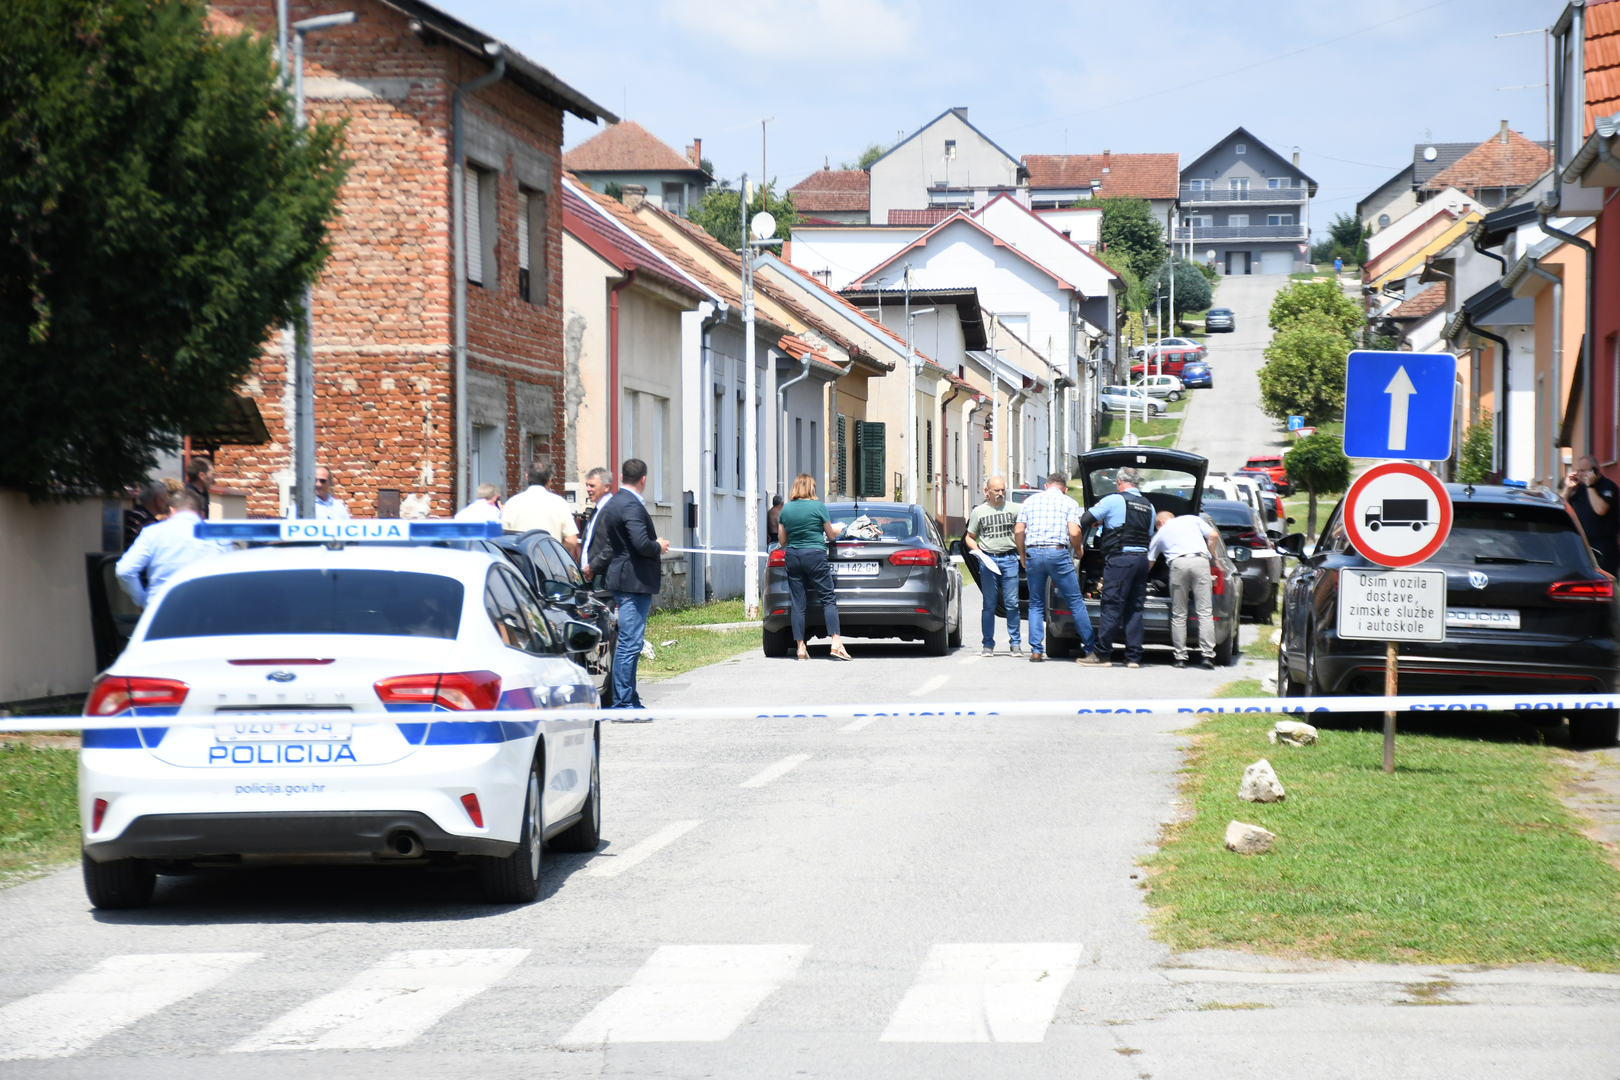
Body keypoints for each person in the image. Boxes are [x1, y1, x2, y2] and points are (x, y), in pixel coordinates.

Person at [589, 459, 669, 708]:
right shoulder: (631, 506)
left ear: (622, 476)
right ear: (643, 479)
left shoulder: (613, 502)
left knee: (629, 642)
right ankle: (623, 702)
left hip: (625, 577)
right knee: (629, 643)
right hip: (632, 581)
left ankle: (629, 698)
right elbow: (641, 544)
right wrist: (660, 546)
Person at [1012, 472, 1096, 663]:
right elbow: (1074, 532)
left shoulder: (1030, 502)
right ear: (1064, 489)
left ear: (1046, 487)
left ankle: (1036, 650)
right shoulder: (1069, 502)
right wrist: (1079, 550)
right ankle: (1090, 649)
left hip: (1034, 553)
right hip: (1057, 553)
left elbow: (1018, 529)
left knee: (1035, 604)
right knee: (1075, 602)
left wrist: (1022, 554)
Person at [1078, 467, 1156, 669]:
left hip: (1121, 560)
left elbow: (1085, 520)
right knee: (1134, 607)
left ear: (1119, 482)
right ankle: (1133, 657)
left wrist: (1101, 521)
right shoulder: (1149, 506)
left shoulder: (1113, 500)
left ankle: (1102, 655)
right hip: (1141, 560)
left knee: (1112, 605)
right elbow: (1148, 533)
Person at [777, 473, 851, 661]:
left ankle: (801, 647)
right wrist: (838, 529)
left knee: (798, 603)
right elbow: (831, 535)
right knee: (827, 598)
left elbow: (782, 540)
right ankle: (836, 642)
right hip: (815, 555)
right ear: (811, 488)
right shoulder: (819, 507)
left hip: (793, 556)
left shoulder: (785, 510)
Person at [114, 487, 229, 608]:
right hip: (206, 611)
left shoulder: (152, 533)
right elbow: (229, 578)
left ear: (171, 509)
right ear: (201, 513)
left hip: (161, 610)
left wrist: (143, 600)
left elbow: (124, 570)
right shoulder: (219, 537)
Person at [1147, 510, 1219, 669]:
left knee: (1179, 613)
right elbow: (1213, 535)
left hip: (1178, 564)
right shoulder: (1192, 519)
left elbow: (1150, 561)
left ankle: (1180, 658)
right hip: (1200, 561)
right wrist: (1208, 556)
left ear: (1161, 523)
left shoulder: (1161, 533)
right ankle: (1208, 656)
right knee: (1205, 612)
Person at [965, 475, 1021, 657]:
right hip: (988, 560)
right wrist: (979, 553)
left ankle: (1016, 644)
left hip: (1010, 558)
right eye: (996, 490)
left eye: (1003, 489)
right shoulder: (978, 512)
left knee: (1012, 603)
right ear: (987, 491)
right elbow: (969, 537)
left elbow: (1022, 530)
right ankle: (988, 644)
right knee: (989, 604)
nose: (1000, 493)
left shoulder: (1014, 509)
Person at [503, 464, 580, 559]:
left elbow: (503, 537)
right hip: (550, 563)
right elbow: (571, 541)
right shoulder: (559, 503)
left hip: (520, 563)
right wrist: (556, 550)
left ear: (527, 477)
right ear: (550, 480)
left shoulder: (511, 503)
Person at [1565, 455, 1618, 576]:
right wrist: (1567, 489)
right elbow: (1560, 506)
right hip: (1582, 544)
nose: (1578, 474)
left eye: (1583, 471)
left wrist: (1590, 486)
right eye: (1578, 470)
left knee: (1604, 580)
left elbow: (1600, 509)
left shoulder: (1607, 486)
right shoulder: (1579, 488)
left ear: (1594, 470)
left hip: (1603, 545)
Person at [580, 467, 614, 580]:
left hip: (604, 578)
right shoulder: (597, 509)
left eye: (592, 486)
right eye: (587, 485)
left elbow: (612, 545)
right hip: (591, 577)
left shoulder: (612, 508)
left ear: (606, 487)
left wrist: (593, 567)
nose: (588, 489)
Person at [122, 481, 170, 551]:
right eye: (166, 497)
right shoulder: (149, 523)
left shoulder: (133, 513)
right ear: (157, 498)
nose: (167, 502)